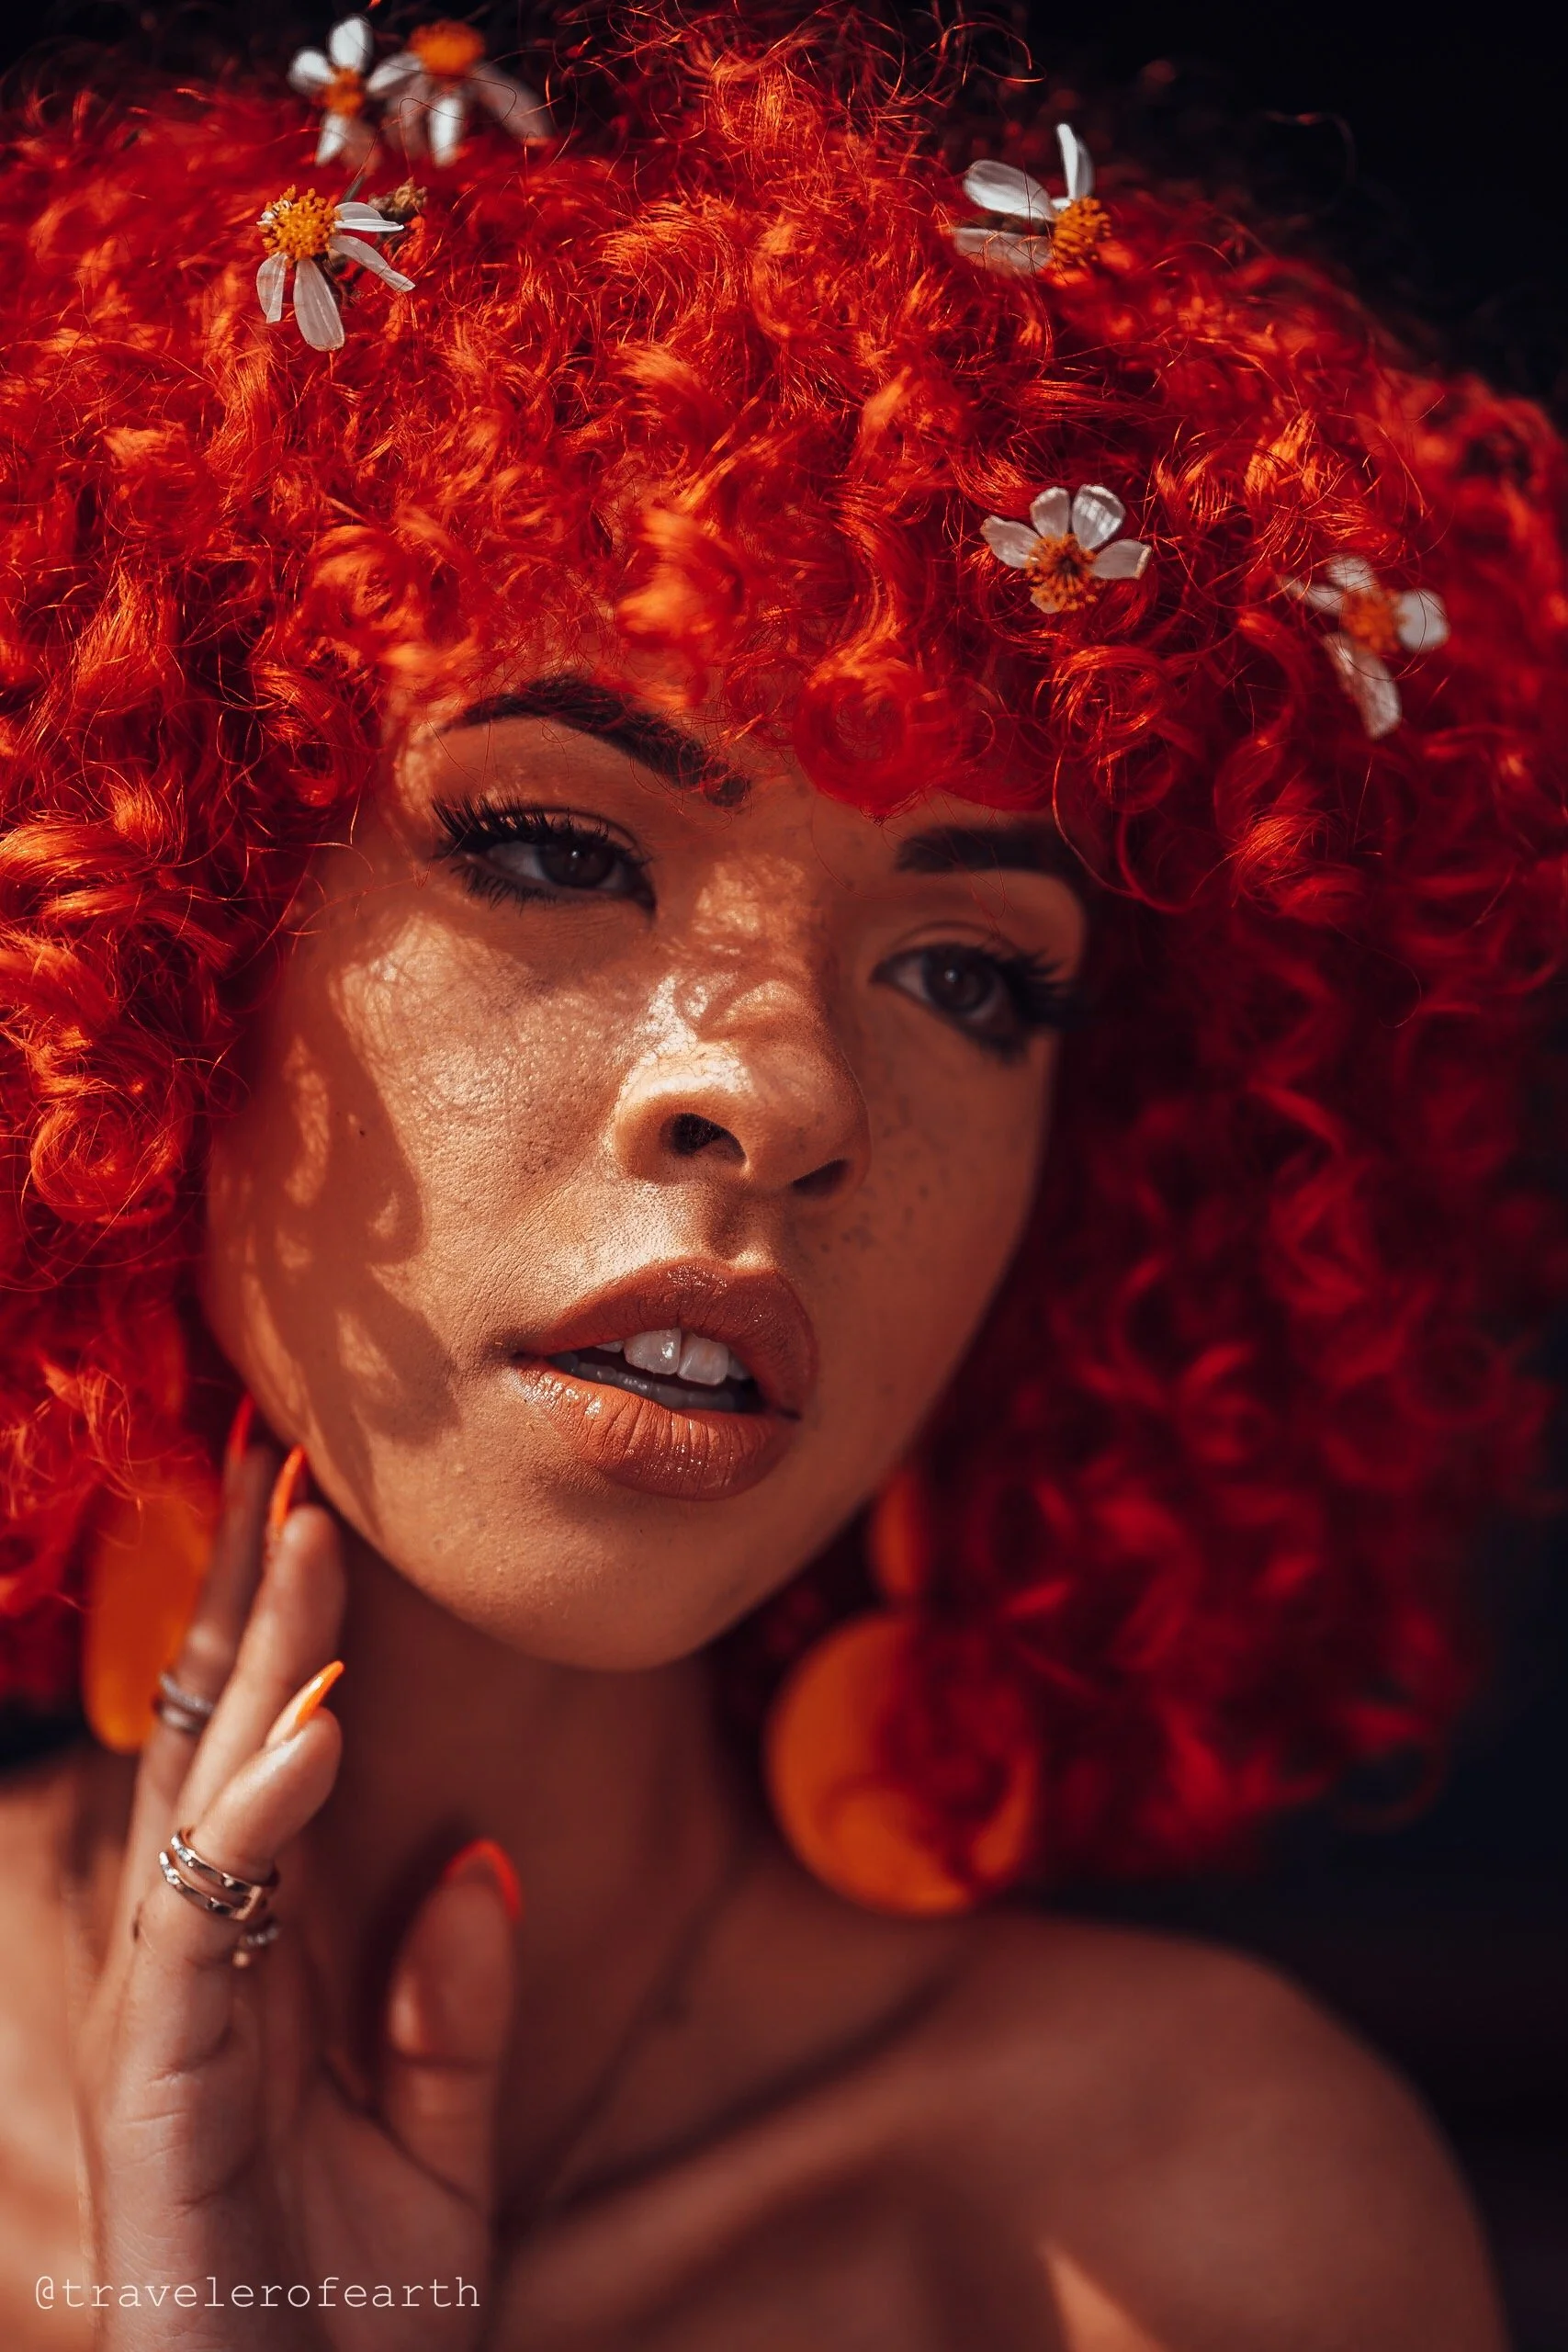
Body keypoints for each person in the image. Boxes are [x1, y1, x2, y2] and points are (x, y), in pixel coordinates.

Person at [0, 8, 1563, 2345]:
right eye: (550, 842)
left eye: (968, 974)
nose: (790, 1089)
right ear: (161, 935)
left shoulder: (1170, 2235)